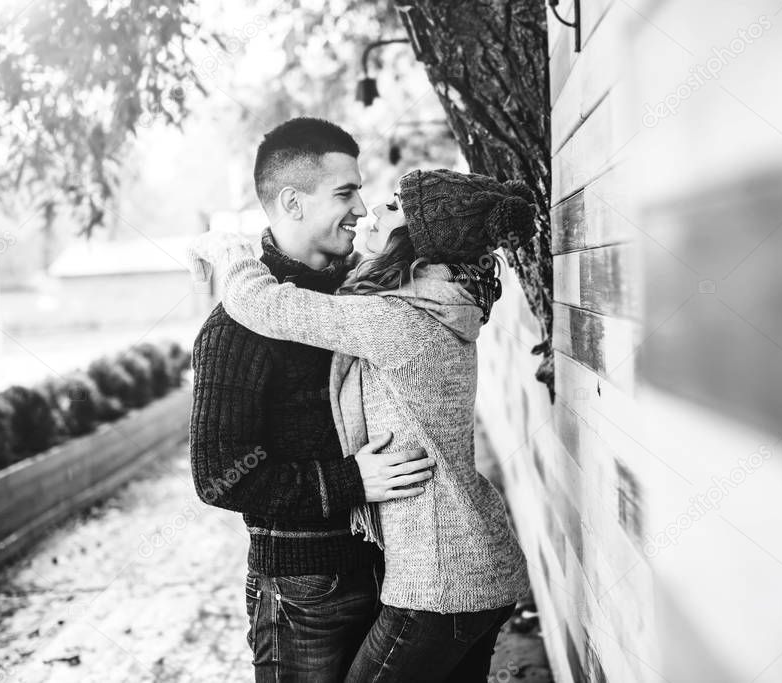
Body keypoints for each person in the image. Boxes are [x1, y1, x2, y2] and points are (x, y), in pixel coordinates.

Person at [191, 168, 535, 682]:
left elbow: (267, 306)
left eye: (393, 208)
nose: (371, 210)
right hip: (466, 571)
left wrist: (230, 250)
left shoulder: (401, 319)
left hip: (440, 584)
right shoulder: (434, 304)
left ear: (419, 243)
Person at [188, 117, 436, 683]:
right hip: (306, 594)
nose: (362, 208)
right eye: (345, 192)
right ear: (293, 202)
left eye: (361, 190)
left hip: (395, 574)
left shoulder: (364, 293)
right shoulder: (238, 327)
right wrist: (350, 482)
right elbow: (218, 475)